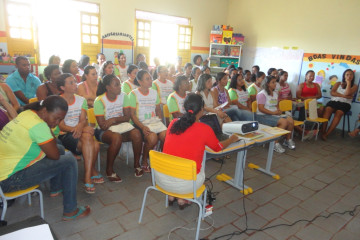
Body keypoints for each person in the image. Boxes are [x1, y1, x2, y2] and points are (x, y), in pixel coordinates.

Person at [0, 95, 90, 220]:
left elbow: (54, 145)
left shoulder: (27, 114)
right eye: (56, 118)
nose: (57, 123)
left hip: (6, 171)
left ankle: (56, 188)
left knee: (59, 146)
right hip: (8, 180)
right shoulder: (38, 126)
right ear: (43, 111)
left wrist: (49, 128)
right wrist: (48, 129)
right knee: (69, 160)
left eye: (60, 120)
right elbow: (54, 156)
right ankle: (71, 211)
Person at [159, 93, 239, 208]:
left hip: (163, 179)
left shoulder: (173, 123)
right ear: (202, 110)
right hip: (187, 183)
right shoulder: (204, 129)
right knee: (200, 161)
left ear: (185, 108)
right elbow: (218, 148)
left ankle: (174, 195)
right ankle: (184, 196)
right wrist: (231, 139)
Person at [57, 73, 101, 194]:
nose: (75, 84)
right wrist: (76, 130)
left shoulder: (81, 100)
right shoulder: (58, 101)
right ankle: (90, 172)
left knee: (92, 141)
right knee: (94, 144)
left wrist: (81, 128)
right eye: (70, 83)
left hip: (80, 133)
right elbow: (60, 124)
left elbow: (83, 120)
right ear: (62, 87)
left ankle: (87, 175)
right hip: (64, 134)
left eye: (75, 82)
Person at [94, 74, 143, 179]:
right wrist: (118, 120)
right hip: (103, 132)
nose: (120, 86)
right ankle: (109, 170)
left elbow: (127, 117)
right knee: (116, 137)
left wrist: (113, 120)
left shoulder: (124, 96)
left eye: (119, 84)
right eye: (116, 85)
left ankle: (137, 165)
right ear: (108, 87)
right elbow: (102, 125)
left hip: (121, 126)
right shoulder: (99, 101)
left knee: (136, 134)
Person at [128, 70, 166, 173]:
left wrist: (160, 121)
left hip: (154, 121)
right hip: (140, 123)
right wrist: (142, 127)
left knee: (166, 135)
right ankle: (144, 160)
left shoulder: (154, 93)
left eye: (150, 78)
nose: (150, 81)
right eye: (147, 79)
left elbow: (158, 110)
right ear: (140, 81)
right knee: (152, 137)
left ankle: (159, 158)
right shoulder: (133, 94)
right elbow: (132, 115)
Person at [256, 75, 295, 153]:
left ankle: (287, 140)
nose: (275, 84)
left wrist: (278, 110)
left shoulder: (275, 94)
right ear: (267, 84)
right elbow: (261, 109)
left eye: (275, 82)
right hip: (262, 116)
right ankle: (274, 143)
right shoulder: (262, 94)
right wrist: (273, 112)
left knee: (290, 120)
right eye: (273, 82)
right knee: (284, 122)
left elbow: (276, 106)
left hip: (273, 114)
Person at [321, 69, 358, 140]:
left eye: (351, 75)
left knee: (339, 113)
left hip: (345, 104)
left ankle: (327, 133)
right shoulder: (338, 83)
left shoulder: (354, 86)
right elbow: (332, 93)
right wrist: (345, 96)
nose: (349, 76)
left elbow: (347, 93)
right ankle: (323, 130)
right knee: (327, 109)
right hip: (334, 101)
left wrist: (348, 83)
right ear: (344, 76)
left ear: (353, 76)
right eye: (347, 74)